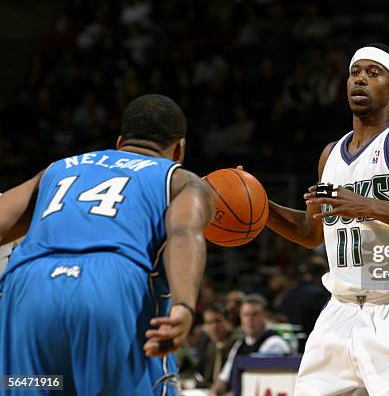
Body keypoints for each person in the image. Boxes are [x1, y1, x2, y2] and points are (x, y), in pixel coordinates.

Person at [266, 43, 389, 396]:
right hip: (338, 314)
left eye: (373, 74)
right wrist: (259, 207)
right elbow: (311, 233)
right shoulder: (330, 155)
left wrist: (368, 207)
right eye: (355, 72)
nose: (360, 80)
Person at [0, 94, 216, 396]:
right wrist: (183, 306)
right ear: (179, 148)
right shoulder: (180, 179)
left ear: (119, 141)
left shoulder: (57, 169)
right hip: (109, 283)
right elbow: (184, 233)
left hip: (28, 288)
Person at [209, 294, 291, 396]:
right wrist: (214, 391)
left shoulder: (275, 343)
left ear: (265, 315)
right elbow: (223, 378)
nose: (250, 319)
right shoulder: (239, 344)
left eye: (255, 314)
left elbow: (260, 383)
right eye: (246, 315)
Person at [195, 306, 239, 388]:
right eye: (209, 323)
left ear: (228, 321)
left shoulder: (238, 343)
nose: (213, 327)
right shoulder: (208, 344)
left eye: (218, 321)